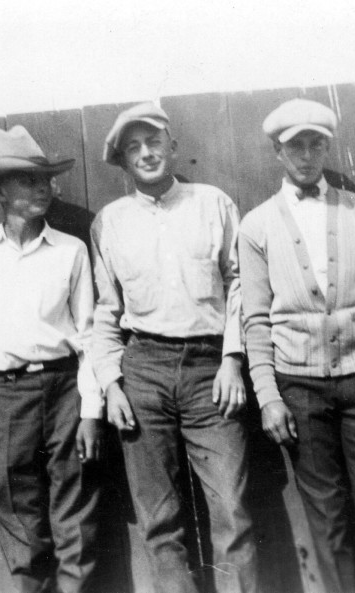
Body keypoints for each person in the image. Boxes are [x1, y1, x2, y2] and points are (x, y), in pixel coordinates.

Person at [239, 98, 355, 593]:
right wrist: (269, 396)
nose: (308, 154)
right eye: (296, 145)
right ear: (278, 150)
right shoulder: (257, 226)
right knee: (326, 514)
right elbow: (254, 319)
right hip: (301, 389)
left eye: (317, 143)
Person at [91, 101, 257, 593]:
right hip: (142, 368)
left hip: (211, 368)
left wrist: (232, 359)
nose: (146, 153)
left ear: (173, 146)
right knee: (159, 519)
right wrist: (111, 384)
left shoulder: (214, 203)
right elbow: (105, 309)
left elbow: (240, 286)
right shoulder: (110, 222)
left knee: (231, 506)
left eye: (154, 142)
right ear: (123, 161)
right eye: (134, 148)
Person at [0, 125, 102, 593]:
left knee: (76, 515)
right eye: (30, 180)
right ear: (0, 191)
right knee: (17, 516)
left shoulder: (71, 251)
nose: (44, 189)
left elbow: (89, 336)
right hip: (6, 397)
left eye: (46, 180)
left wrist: (90, 411)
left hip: (66, 390)